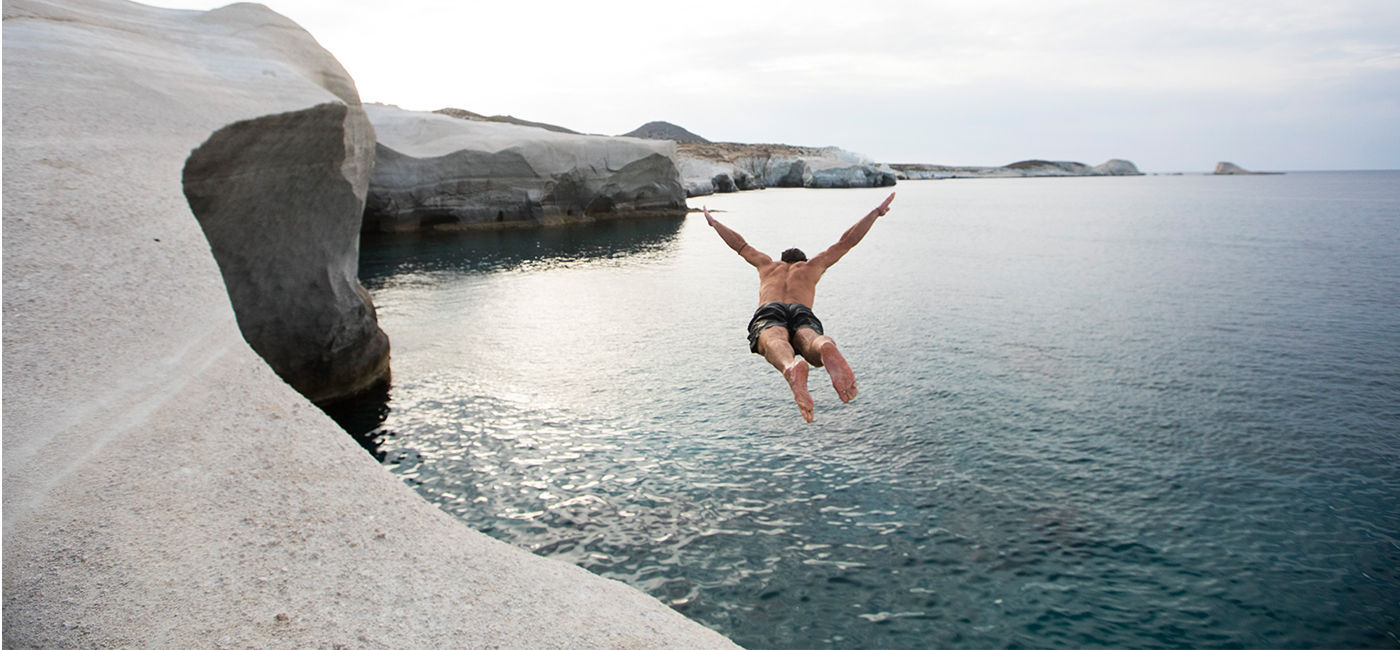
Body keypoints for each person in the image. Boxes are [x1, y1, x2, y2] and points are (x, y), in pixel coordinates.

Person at [704, 192, 895, 422]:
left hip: (770, 308)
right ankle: (823, 346)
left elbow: (740, 245)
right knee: (808, 337)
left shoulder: (767, 265)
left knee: (772, 339)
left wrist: (714, 223)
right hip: (801, 309)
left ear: (782, 260)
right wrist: (875, 213)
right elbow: (847, 241)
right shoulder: (811, 267)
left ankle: (790, 367)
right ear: (802, 261)